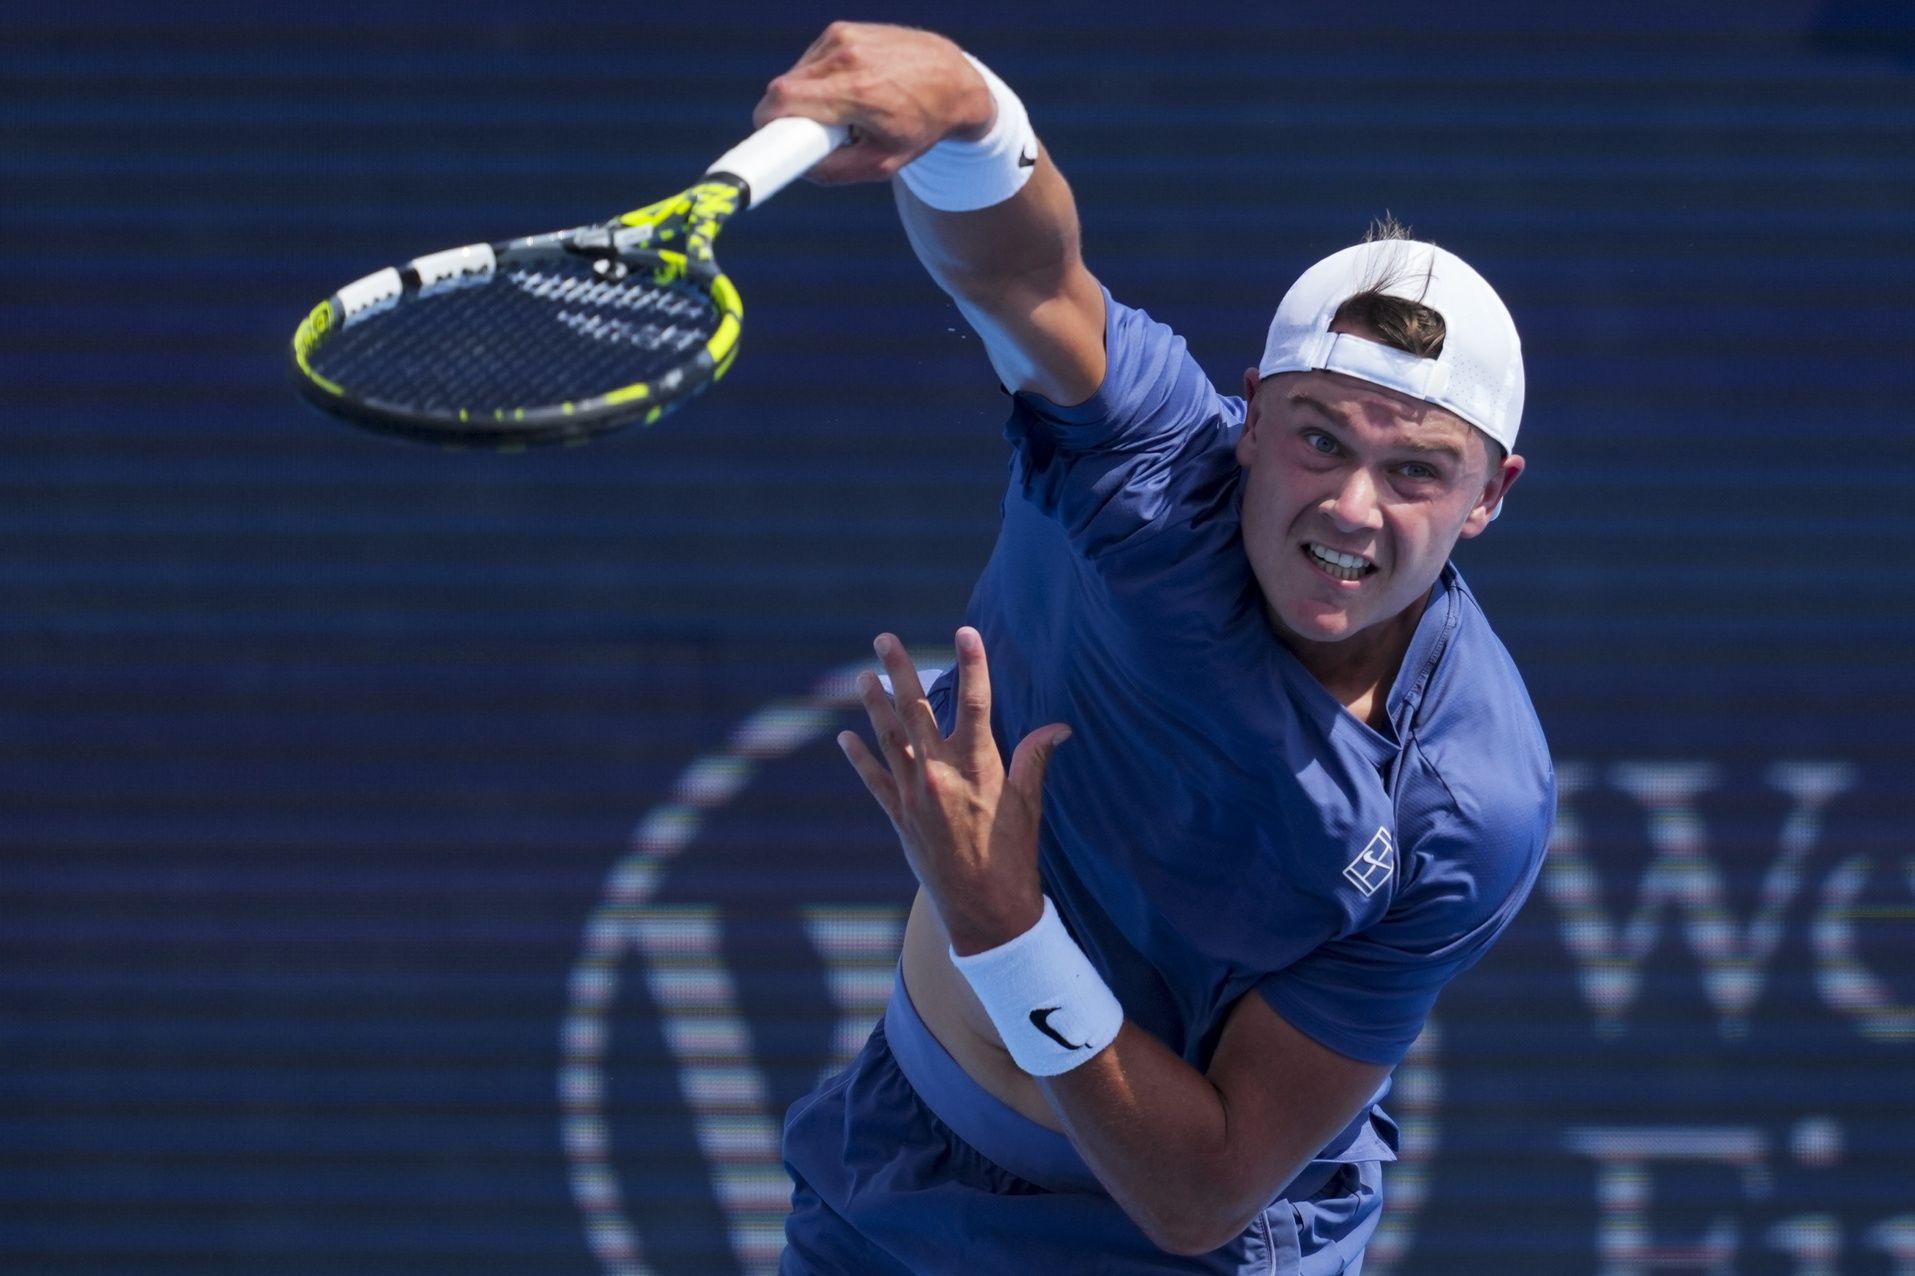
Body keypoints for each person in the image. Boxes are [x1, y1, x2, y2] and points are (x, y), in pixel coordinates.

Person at [758, 22, 1554, 1274]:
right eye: (1318, 439)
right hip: (898, 1165)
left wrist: (1003, 922)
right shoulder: (1143, 467)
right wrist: (973, 113)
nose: (1350, 507)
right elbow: (1027, 275)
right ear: (1250, 417)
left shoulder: (1467, 800)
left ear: (1491, 495)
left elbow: (1204, 1191)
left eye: (1415, 471)